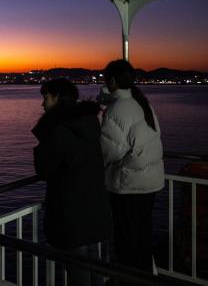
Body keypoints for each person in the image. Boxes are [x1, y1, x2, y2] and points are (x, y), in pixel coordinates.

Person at [32, 78, 112, 286]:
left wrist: (43, 140)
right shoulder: (88, 122)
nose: (43, 104)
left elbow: (44, 170)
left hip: (71, 210)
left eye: (46, 97)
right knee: (93, 261)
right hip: (93, 204)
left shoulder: (60, 130)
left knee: (77, 269)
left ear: (57, 97)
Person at [99, 59, 164, 276]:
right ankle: (146, 278)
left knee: (127, 243)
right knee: (142, 238)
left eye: (106, 78)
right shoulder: (141, 103)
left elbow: (109, 152)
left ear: (113, 81)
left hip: (129, 185)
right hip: (150, 182)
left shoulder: (116, 110)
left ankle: (131, 280)